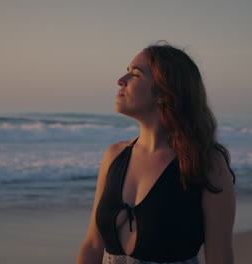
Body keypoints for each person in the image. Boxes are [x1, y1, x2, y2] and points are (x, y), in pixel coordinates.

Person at [76, 42, 236, 264]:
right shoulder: (115, 155)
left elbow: (219, 256)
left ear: (163, 92)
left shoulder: (207, 163)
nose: (121, 80)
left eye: (135, 74)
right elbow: (93, 245)